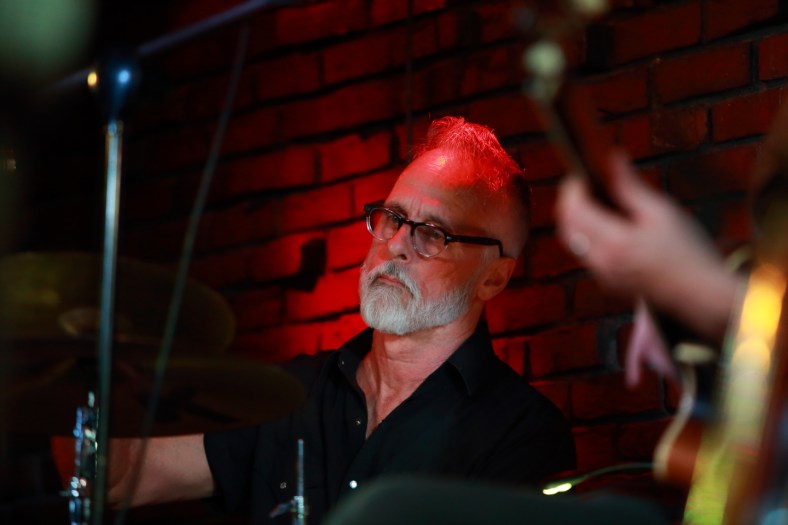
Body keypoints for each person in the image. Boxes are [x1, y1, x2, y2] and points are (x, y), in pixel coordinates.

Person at [67, 116, 575, 524]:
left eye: (433, 233)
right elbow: (113, 477)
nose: (396, 245)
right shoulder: (291, 394)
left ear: (493, 278)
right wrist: (68, 352)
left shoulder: (522, 433)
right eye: (393, 218)